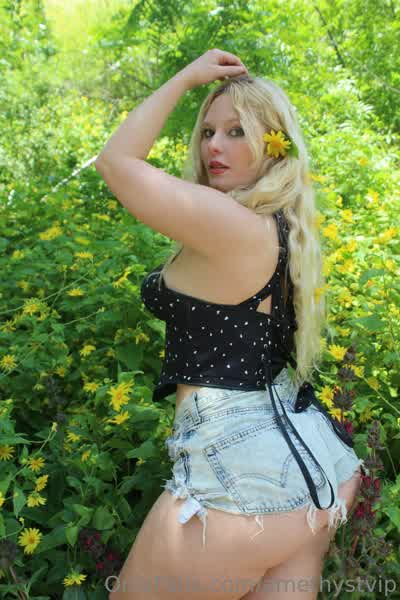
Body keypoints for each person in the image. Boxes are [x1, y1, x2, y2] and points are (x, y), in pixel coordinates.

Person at [95, 49, 366, 600]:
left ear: (274, 144)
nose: (213, 146)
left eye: (237, 131)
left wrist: (185, 78)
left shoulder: (230, 223)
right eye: (208, 131)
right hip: (317, 467)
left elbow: (116, 163)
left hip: (243, 475)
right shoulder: (279, 226)